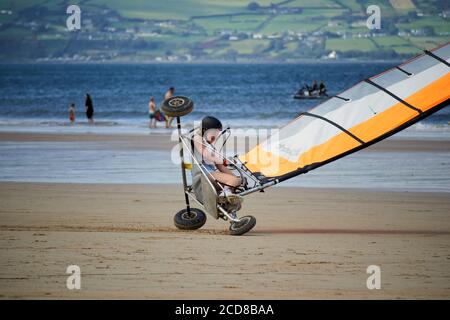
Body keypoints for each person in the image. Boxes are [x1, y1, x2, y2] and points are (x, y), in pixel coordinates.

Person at [193, 116, 243, 206]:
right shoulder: (197, 139)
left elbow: (219, 165)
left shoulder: (209, 145)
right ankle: (224, 195)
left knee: (238, 180)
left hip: (211, 174)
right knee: (234, 181)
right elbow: (207, 155)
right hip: (203, 175)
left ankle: (227, 194)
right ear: (204, 130)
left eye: (217, 134)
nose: (215, 137)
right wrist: (223, 160)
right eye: (214, 134)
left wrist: (235, 177)